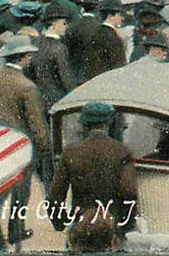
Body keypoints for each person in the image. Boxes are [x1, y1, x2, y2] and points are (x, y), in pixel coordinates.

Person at [0, 34, 50, 244]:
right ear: (23, 57)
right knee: (20, 194)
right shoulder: (26, 86)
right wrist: (44, 147)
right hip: (20, 145)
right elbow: (36, 123)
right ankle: (15, 231)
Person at [48, 102, 139, 239]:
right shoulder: (121, 152)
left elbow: (55, 196)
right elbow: (129, 193)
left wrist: (60, 223)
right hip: (110, 228)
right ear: (109, 121)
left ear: (84, 122)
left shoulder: (71, 153)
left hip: (81, 226)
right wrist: (126, 226)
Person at [82, 0, 127, 81]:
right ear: (110, 16)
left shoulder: (97, 31)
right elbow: (118, 64)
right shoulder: (111, 36)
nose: (122, 18)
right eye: (120, 15)